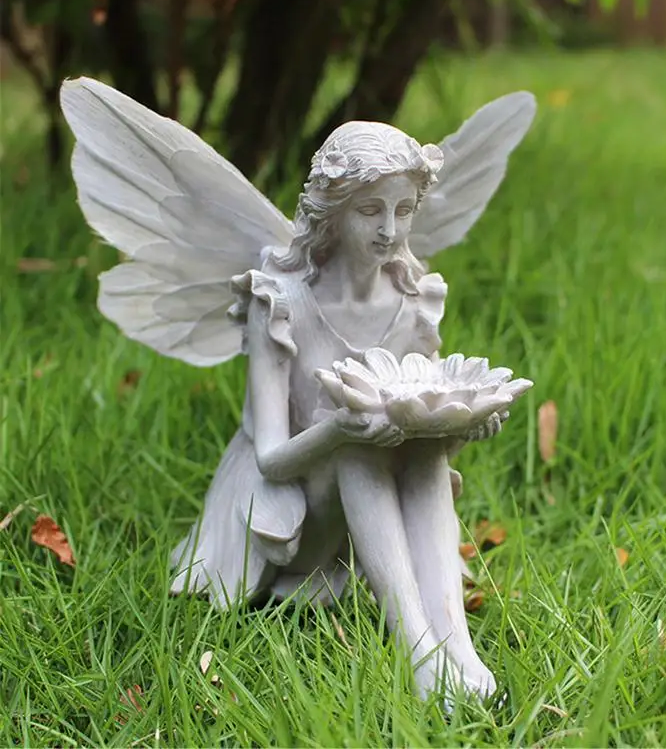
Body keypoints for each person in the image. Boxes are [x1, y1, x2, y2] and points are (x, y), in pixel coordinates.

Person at [171, 121, 498, 699]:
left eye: (403, 210)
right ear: (332, 212)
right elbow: (271, 458)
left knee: (420, 447)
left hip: (362, 515)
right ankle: (418, 651)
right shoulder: (281, 301)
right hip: (290, 505)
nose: (390, 230)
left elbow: (421, 422)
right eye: (370, 211)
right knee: (358, 443)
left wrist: (462, 424)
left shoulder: (414, 301)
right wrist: (337, 430)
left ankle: (456, 644)